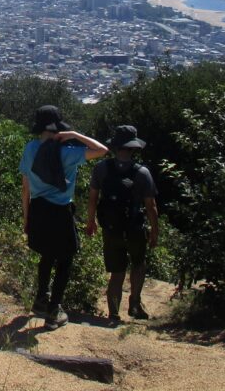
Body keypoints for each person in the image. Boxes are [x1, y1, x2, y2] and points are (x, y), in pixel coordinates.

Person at [20, 105, 108, 329]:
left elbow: (25, 187)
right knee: (65, 259)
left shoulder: (30, 148)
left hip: (38, 208)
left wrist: (26, 218)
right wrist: (75, 135)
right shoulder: (67, 152)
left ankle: (41, 299)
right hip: (60, 210)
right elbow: (102, 150)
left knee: (47, 256)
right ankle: (54, 309)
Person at [85, 125, 159, 321]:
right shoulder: (142, 173)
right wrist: (154, 232)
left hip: (110, 228)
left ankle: (114, 313)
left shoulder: (101, 168)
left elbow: (93, 198)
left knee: (116, 272)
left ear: (116, 146)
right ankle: (134, 303)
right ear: (134, 148)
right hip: (134, 227)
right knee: (138, 264)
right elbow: (151, 206)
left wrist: (90, 221)